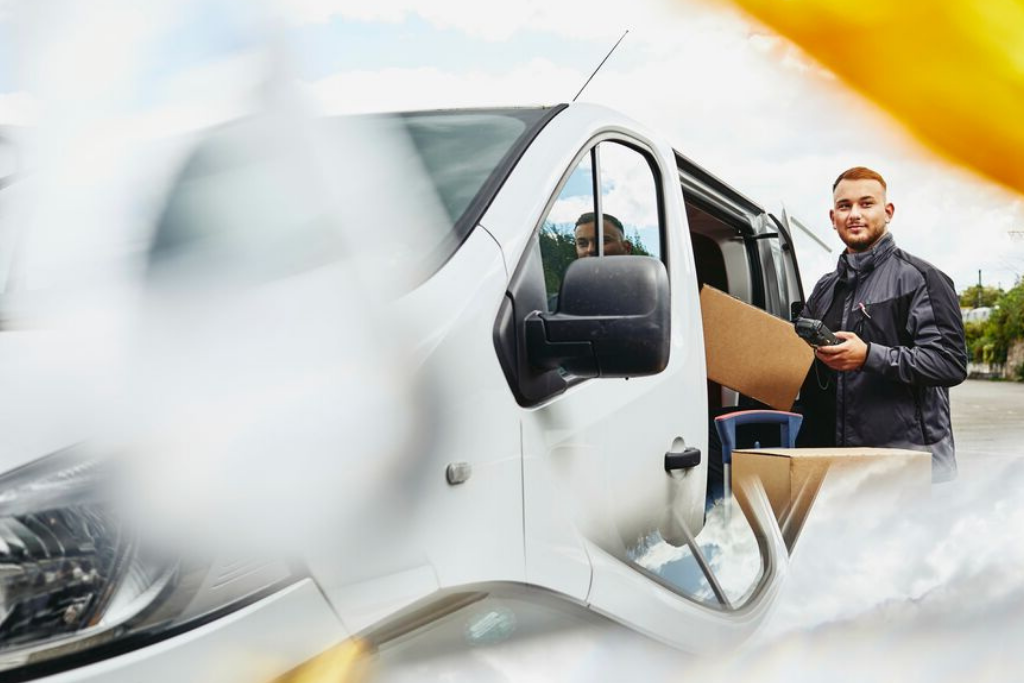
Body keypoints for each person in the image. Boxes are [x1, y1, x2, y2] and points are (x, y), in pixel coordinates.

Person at [797, 167, 967, 481]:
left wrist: (868, 356)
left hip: (910, 468)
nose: (854, 214)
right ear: (833, 217)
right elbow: (796, 358)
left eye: (866, 203)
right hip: (839, 466)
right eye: (845, 206)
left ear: (887, 212)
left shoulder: (922, 279)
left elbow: (950, 363)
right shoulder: (825, 288)